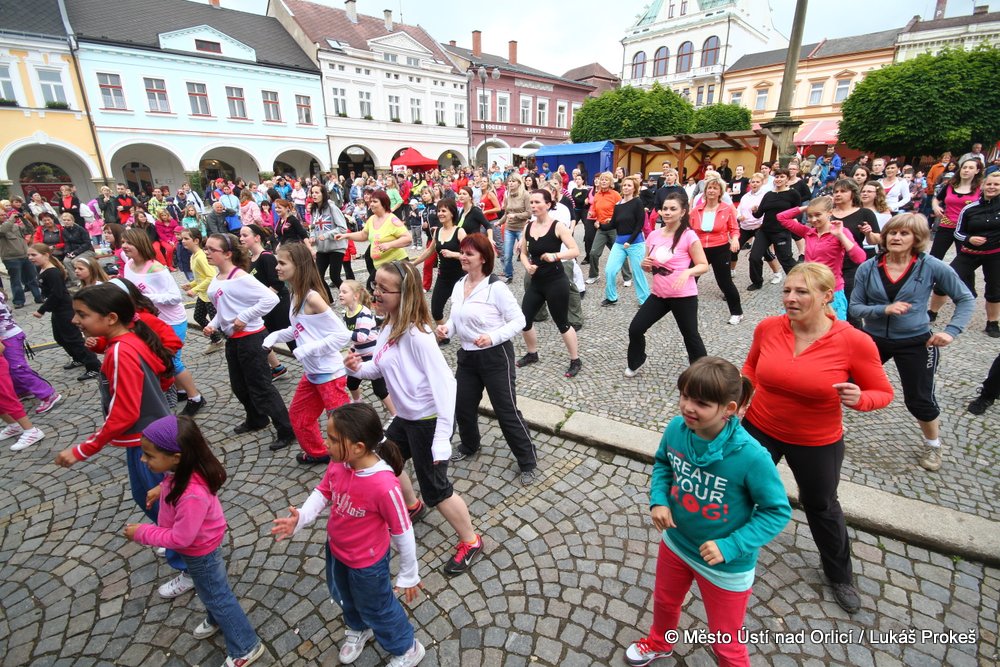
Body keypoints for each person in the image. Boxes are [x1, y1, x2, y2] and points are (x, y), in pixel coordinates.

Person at [743, 263, 893, 613]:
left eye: (802, 292)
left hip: (815, 439)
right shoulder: (768, 327)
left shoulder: (854, 341)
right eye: (787, 290)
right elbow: (750, 368)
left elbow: (883, 392)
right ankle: (725, 548)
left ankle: (839, 575)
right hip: (760, 426)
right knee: (741, 489)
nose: (790, 298)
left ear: (827, 296)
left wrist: (861, 398)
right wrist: (740, 397)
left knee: (820, 504)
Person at [624, 357, 792, 667]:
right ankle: (660, 643)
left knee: (726, 642)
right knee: (664, 603)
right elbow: (663, 463)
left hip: (726, 565)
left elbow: (777, 511)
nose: (688, 407)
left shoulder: (752, 456)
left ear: (729, 409)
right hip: (676, 543)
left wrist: (731, 545)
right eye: (685, 396)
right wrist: (659, 500)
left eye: (701, 403)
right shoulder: (676, 429)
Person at [344, 260, 482, 576]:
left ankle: (471, 541)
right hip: (406, 419)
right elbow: (380, 367)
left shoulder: (418, 335)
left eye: (383, 289)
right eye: (375, 285)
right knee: (383, 461)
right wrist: (357, 368)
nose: (375, 293)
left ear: (403, 295)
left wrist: (441, 440)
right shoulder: (388, 325)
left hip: (428, 423)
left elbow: (447, 385)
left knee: (436, 489)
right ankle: (412, 506)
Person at [53, 284, 191, 596]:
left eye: (82, 315)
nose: (75, 320)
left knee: (163, 505)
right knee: (151, 498)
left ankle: (188, 560)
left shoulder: (121, 351)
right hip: (149, 437)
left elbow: (124, 411)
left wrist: (84, 448)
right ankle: (177, 541)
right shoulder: (128, 341)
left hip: (149, 441)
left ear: (111, 317)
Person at [272, 403, 425, 667]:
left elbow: (403, 530)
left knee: (378, 607)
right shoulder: (340, 464)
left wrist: (409, 574)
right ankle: (359, 627)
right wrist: (301, 518)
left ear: (358, 447)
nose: (326, 443)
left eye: (332, 439)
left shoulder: (384, 485)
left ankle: (407, 648)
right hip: (338, 551)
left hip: (368, 565)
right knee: (345, 596)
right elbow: (324, 491)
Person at [126, 415, 265, 667]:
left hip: (200, 551)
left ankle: (246, 646)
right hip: (198, 548)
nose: (143, 460)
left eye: (149, 455)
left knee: (217, 596)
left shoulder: (191, 493)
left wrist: (142, 533)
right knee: (209, 591)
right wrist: (161, 489)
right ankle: (217, 619)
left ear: (176, 457)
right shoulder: (182, 471)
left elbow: (181, 537)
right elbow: (173, 482)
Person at [850, 214, 974, 471]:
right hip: (873, 339)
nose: (896, 238)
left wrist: (951, 331)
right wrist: (884, 309)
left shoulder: (931, 266)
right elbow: (856, 307)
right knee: (843, 381)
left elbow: (965, 298)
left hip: (916, 341)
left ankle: (933, 445)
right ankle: (822, 426)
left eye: (904, 233)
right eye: (892, 233)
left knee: (919, 398)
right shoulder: (868, 267)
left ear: (917, 239)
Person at [439, 233, 536, 484]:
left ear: (483, 258)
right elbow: (456, 317)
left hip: (495, 357)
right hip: (467, 357)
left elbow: (519, 320)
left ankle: (528, 460)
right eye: (462, 252)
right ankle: (470, 445)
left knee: (505, 411)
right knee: (462, 405)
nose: (463, 257)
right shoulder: (459, 284)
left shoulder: (496, 288)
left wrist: (493, 337)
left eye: (469, 254)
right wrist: (446, 329)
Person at [261, 243, 352, 464]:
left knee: (341, 424)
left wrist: (307, 349)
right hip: (312, 374)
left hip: (330, 375)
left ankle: (350, 461)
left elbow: (343, 335)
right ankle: (319, 454)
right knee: (299, 416)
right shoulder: (295, 294)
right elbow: (300, 328)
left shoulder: (312, 298)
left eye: (282, 263)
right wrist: (274, 336)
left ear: (299, 266)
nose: (277, 267)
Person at [203, 233, 295, 451]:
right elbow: (224, 307)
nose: (206, 252)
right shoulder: (219, 276)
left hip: (251, 339)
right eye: (206, 248)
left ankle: (286, 429)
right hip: (233, 339)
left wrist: (245, 317)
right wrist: (213, 324)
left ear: (227, 254)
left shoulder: (241, 277)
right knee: (239, 386)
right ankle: (256, 418)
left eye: (211, 249)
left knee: (261, 387)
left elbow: (271, 299)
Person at [122, 229, 206, 415]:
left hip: (172, 321)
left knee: (172, 361)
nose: (124, 246)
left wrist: (146, 298)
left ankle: (196, 398)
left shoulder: (156, 269)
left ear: (140, 244)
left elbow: (175, 297)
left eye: (129, 243)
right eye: (123, 242)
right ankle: (181, 391)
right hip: (150, 321)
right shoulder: (128, 265)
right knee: (161, 358)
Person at [626, 193, 709, 378]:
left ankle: (703, 375)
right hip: (659, 295)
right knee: (636, 328)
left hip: (683, 296)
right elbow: (648, 266)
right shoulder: (654, 235)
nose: (667, 212)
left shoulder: (688, 236)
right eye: (665, 209)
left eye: (673, 209)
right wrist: (645, 265)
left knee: (691, 336)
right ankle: (637, 361)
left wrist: (687, 272)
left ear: (683, 212)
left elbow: (703, 265)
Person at [516, 189, 583, 378]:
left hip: (556, 282)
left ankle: (575, 360)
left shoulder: (557, 226)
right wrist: (527, 265)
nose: (533, 206)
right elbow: (523, 253)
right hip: (536, 283)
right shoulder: (528, 227)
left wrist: (556, 256)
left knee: (562, 323)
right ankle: (532, 353)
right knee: (524, 319)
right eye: (531, 202)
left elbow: (575, 250)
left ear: (548, 204)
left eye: (537, 202)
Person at [777, 196, 867, 320]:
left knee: (833, 327)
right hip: (808, 287)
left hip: (831, 289)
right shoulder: (808, 232)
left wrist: (840, 235)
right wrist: (806, 208)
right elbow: (781, 217)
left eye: (818, 214)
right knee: (796, 324)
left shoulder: (841, 232)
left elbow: (860, 258)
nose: (813, 219)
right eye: (810, 216)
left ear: (829, 213)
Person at [28, 243, 101, 380]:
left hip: (65, 309)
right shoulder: (43, 270)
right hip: (57, 310)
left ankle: (93, 366)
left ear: (46, 255)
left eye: (34, 255)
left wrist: (42, 310)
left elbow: (57, 294)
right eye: (29, 255)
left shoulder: (52, 272)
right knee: (60, 338)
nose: (30, 258)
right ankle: (78, 358)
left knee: (74, 339)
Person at [946, 171, 1000, 337]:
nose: (992, 187)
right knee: (946, 278)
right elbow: (958, 232)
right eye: (989, 184)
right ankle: (931, 313)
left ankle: (992, 323)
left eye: (996, 184)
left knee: (995, 289)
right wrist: (969, 238)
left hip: (995, 254)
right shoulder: (970, 208)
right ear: (982, 186)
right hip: (969, 252)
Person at [339, 280, 396, 418]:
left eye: (344, 292)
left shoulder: (363, 313)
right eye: (339, 291)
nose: (340, 294)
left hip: (374, 355)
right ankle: (358, 403)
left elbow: (361, 336)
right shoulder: (346, 313)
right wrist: (352, 349)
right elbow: (353, 339)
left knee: (380, 390)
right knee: (351, 383)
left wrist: (342, 334)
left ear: (356, 296)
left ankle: (395, 414)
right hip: (360, 354)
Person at [690, 177, 743, 324]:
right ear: (705, 191)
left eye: (715, 188)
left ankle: (737, 312)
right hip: (700, 249)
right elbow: (688, 230)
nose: (711, 191)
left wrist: (735, 239)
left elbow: (734, 228)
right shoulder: (696, 210)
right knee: (691, 278)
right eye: (709, 188)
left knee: (724, 282)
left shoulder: (726, 209)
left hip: (720, 248)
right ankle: (684, 309)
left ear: (720, 192)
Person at [240, 224, 290, 379]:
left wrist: (263, 302)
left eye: (245, 235)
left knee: (291, 338)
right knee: (261, 339)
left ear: (257, 238)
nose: (241, 238)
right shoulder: (250, 260)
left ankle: (312, 367)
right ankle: (277, 368)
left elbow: (277, 283)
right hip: (265, 308)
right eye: (240, 235)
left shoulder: (266, 257)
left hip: (279, 305)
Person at [336, 190, 412, 292]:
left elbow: (408, 238)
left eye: (375, 201)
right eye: (371, 201)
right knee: (374, 289)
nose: (371, 204)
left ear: (384, 204)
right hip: (380, 266)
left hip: (395, 264)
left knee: (377, 290)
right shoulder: (371, 219)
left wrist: (389, 245)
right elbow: (363, 235)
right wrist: (346, 236)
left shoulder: (392, 220)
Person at [411, 199, 465, 339]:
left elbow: (471, 255)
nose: (440, 213)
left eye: (443, 211)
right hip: (443, 278)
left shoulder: (459, 232)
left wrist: (454, 254)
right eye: (439, 211)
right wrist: (413, 264)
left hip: (461, 278)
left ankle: (468, 337)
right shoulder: (438, 231)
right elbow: (429, 251)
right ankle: (445, 335)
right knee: (436, 310)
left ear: (452, 213)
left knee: (463, 312)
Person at [0, 291, 61, 415]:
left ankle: (48, 394)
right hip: (8, 334)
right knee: (11, 368)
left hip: (9, 336)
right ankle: (23, 390)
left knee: (18, 368)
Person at [747, 168, 800, 291]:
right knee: (754, 257)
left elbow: (797, 211)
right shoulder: (768, 195)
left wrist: (794, 222)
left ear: (787, 179)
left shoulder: (793, 194)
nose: (778, 179)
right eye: (777, 177)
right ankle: (757, 282)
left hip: (781, 231)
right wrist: (754, 211)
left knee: (785, 259)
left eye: (782, 177)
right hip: (765, 231)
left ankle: (798, 283)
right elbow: (759, 214)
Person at [602, 175, 650, 307]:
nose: (626, 187)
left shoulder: (637, 202)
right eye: (624, 185)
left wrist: (629, 241)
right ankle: (611, 298)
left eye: (629, 185)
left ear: (634, 188)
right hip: (619, 243)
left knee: (638, 272)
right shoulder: (618, 205)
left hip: (635, 243)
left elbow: (639, 225)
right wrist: (600, 225)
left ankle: (645, 300)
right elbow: (613, 224)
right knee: (610, 270)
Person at [731, 172, 781, 282]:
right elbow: (738, 209)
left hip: (759, 227)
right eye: (753, 182)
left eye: (757, 182)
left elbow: (768, 211)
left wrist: (762, 221)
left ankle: (777, 273)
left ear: (762, 183)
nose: (754, 184)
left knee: (764, 252)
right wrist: (739, 216)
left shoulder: (765, 195)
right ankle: (732, 270)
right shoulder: (745, 196)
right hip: (745, 226)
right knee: (734, 249)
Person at [929, 156, 982, 261]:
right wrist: (935, 207)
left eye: (971, 168)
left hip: (966, 229)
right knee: (934, 257)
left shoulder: (980, 189)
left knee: (963, 260)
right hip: (946, 225)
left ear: (977, 171)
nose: (966, 170)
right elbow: (937, 199)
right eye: (964, 167)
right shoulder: (950, 185)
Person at [179, 229, 223, 353]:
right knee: (198, 316)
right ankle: (217, 340)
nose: (183, 241)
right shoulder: (194, 256)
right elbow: (201, 277)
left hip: (210, 295)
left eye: (186, 238)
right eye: (182, 239)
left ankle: (229, 342)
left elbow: (211, 276)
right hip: (203, 294)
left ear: (196, 240)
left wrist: (195, 290)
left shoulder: (201, 257)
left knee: (218, 322)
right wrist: (191, 284)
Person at [586, 172, 632, 285]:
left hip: (614, 229)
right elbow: (595, 210)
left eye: (606, 180)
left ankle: (627, 278)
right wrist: (593, 215)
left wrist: (612, 219)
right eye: (602, 179)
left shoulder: (615, 195)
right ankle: (594, 275)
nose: (603, 181)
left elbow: (622, 210)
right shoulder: (597, 195)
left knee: (620, 253)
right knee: (593, 253)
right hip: (601, 229)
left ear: (611, 182)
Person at [309, 184, 350, 291]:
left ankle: (351, 295)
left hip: (336, 248)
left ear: (323, 194)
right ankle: (328, 299)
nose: (314, 195)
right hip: (322, 249)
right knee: (317, 277)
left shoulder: (332, 208)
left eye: (317, 192)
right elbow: (312, 227)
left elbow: (343, 228)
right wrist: (312, 236)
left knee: (334, 277)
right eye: (312, 192)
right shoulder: (314, 210)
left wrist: (326, 235)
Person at [0, 210, 43, 308]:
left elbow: (30, 230)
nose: (4, 216)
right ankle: (18, 301)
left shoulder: (15, 226)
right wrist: (11, 219)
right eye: (1, 215)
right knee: (16, 281)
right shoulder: (3, 227)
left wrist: (24, 219)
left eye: (4, 214)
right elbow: (2, 231)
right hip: (11, 259)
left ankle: (38, 297)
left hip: (25, 256)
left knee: (33, 278)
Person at [498, 174, 531, 282]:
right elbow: (506, 213)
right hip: (509, 228)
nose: (510, 183)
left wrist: (516, 215)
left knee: (526, 253)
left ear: (519, 183)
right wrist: (499, 222)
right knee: (507, 255)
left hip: (522, 228)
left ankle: (532, 274)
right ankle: (508, 275)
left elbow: (529, 213)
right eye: (509, 181)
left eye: (513, 181)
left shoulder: (525, 195)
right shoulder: (508, 194)